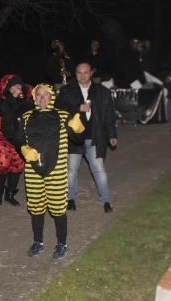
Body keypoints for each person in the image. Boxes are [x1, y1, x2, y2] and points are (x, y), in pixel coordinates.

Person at [15, 84, 85, 258]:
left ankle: (62, 243)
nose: (42, 99)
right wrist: (23, 148)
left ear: (52, 97)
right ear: (34, 97)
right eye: (39, 96)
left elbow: (77, 139)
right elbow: (18, 138)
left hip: (57, 171)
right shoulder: (26, 117)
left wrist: (78, 128)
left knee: (58, 209)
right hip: (33, 171)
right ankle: (38, 242)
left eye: (46, 95)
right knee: (36, 209)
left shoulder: (62, 116)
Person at [58, 62, 118, 213]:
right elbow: (59, 107)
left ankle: (106, 200)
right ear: (75, 74)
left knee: (98, 169)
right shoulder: (67, 90)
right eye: (79, 72)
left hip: (95, 136)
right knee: (71, 171)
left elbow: (109, 114)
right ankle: (70, 198)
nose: (82, 75)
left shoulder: (102, 91)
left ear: (91, 73)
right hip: (74, 138)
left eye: (86, 72)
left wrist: (111, 134)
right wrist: (78, 108)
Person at [0, 74, 32, 205]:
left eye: (19, 86)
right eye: (13, 86)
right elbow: (6, 112)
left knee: (17, 166)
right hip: (2, 137)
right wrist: (11, 99)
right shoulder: (0, 101)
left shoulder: (27, 103)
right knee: (2, 163)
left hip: (18, 139)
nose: (16, 89)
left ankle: (10, 193)